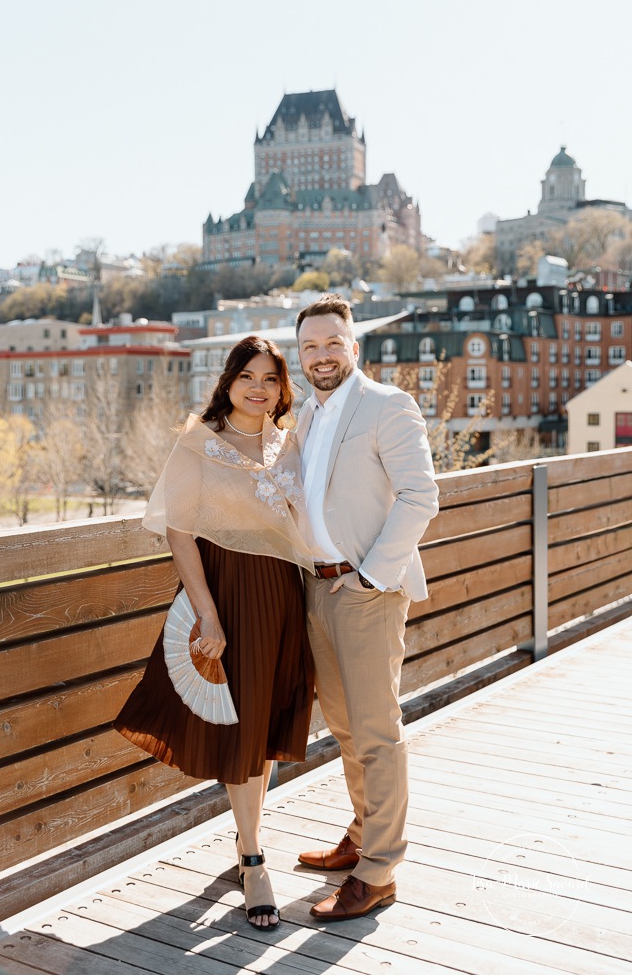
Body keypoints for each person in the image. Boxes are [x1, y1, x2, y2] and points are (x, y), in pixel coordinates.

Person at [114, 336, 315, 931]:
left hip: (283, 595)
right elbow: (179, 533)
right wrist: (208, 613)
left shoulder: (288, 443)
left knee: (266, 722)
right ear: (228, 381)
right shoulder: (199, 442)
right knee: (242, 724)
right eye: (248, 376)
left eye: (271, 378)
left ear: (282, 388)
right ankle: (253, 858)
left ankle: (249, 837)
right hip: (227, 592)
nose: (259, 388)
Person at [293, 294, 439, 922]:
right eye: (310, 346)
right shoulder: (305, 415)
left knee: (375, 729)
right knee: (345, 726)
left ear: (353, 347)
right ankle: (362, 834)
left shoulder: (387, 405)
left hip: (366, 592)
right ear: (300, 356)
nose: (322, 355)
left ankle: (379, 871)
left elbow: (420, 496)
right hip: (316, 588)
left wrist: (372, 577)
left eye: (333, 343)